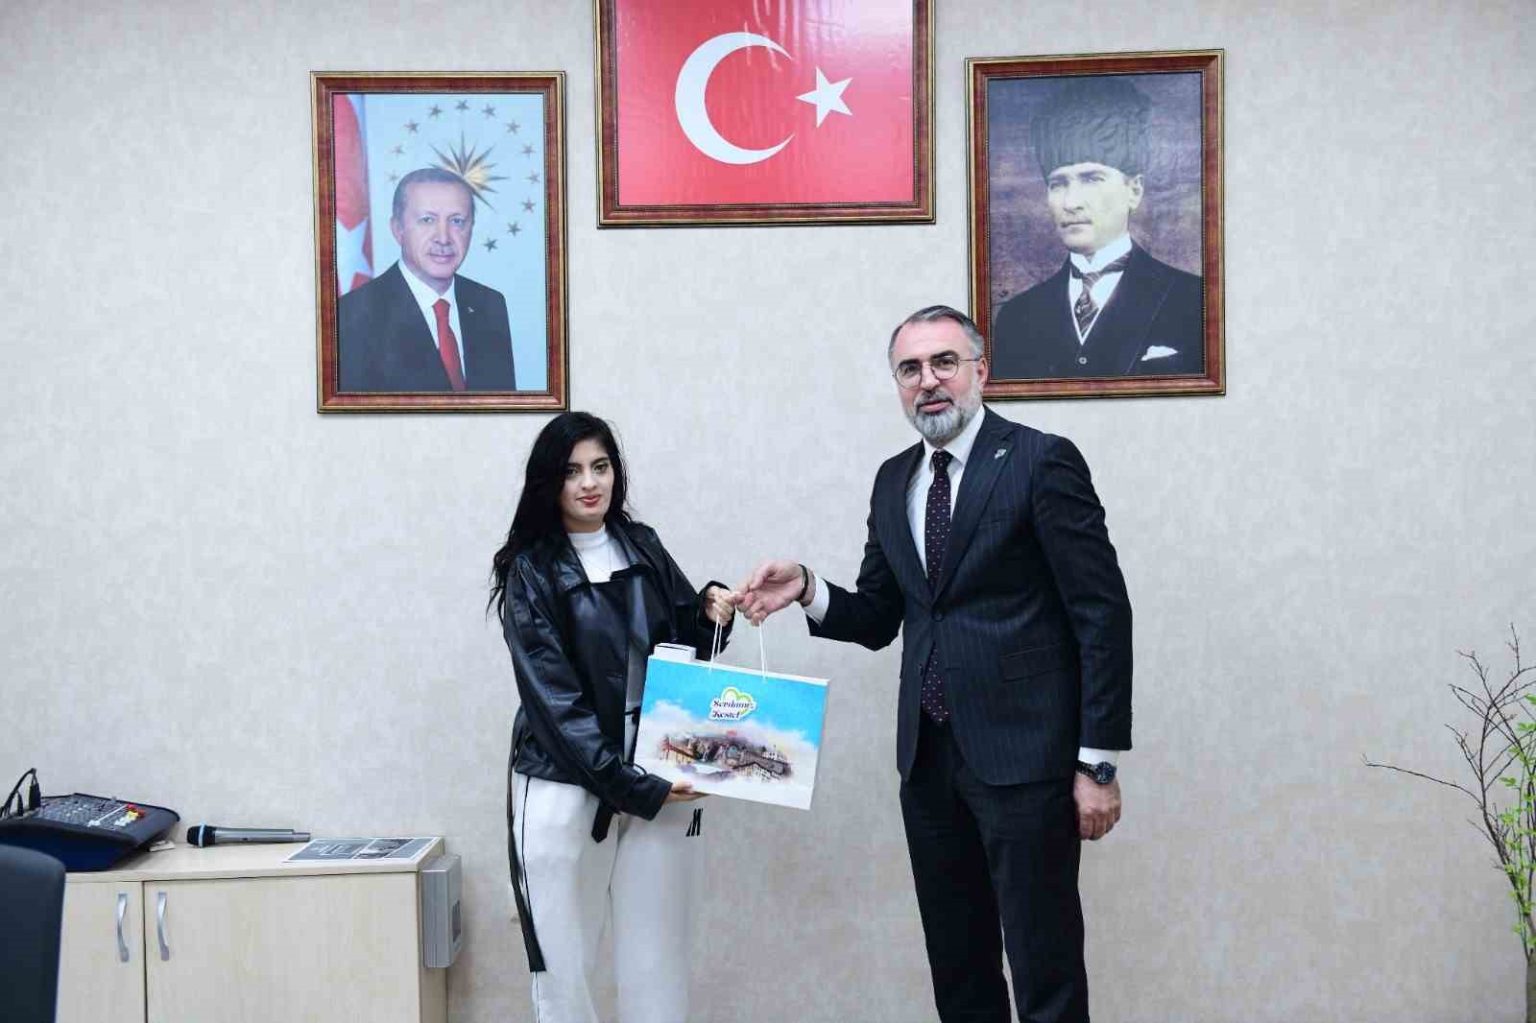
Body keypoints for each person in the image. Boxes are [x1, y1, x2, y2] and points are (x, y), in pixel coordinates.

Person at [740, 305, 1132, 1023]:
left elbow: (1101, 614)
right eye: (910, 368)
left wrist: (1097, 764)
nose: (928, 381)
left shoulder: (1041, 461)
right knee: (959, 971)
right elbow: (879, 617)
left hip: (1027, 762)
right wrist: (808, 587)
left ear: (981, 370)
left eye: (944, 362)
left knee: (1045, 969)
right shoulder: (894, 479)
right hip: (928, 765)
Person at [489, 411, 736, 1023]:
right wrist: (634, 786)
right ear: (549, 482)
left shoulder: (641, 544)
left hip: (658, 773)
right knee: (562, 969)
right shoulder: (530, 570)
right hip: (565, 783)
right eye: (572, 471)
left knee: (659, 961)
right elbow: (557, 707)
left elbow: (683, 646)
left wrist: (711, 612)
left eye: (600, 467)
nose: (589, 483)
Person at [990, 77, 1204, 380]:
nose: (1071, 202)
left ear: (1134, 190)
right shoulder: (1017, 317)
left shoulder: (1194, 300)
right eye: (1058, 184)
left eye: (1092, 179)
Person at [338, 167, 517, 392]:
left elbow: (501, 407)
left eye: (457, 221)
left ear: (471, 228)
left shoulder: (489, 305)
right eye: (427, 220)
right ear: (398, 229)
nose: (443, 238)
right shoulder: (353, 315)